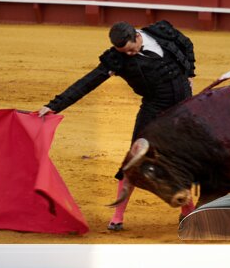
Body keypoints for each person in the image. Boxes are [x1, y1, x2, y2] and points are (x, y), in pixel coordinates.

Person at [38, 20, 197, 231]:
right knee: (134, 161)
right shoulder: (117, 59)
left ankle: (188, 210)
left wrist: (188, 73)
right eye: (124, 52)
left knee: (182, 160)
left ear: (138, 37)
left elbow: (186, 44)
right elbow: (88, 82)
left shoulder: (162, 33)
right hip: (154, 109)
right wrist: (54, 106)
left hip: (184, 106)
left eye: (131, 50)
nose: (128, 55)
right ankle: (117, 216)